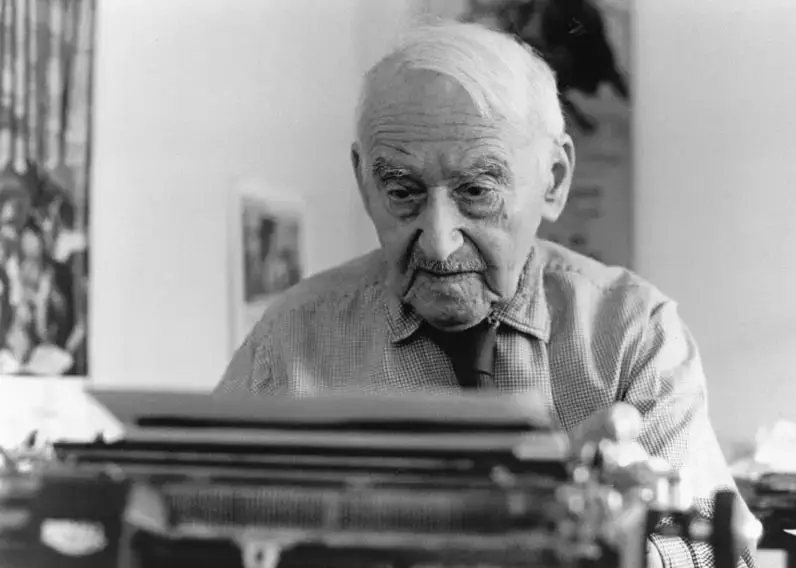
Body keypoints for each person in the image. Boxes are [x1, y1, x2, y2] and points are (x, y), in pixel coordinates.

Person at [217, 21, 757, 568]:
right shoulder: (289, 342)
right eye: (402, 191)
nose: (439, 241)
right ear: (364, 181)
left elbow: (718, 554)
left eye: (476, 191)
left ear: (554, 179)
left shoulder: (633, 334)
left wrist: (623, 537)